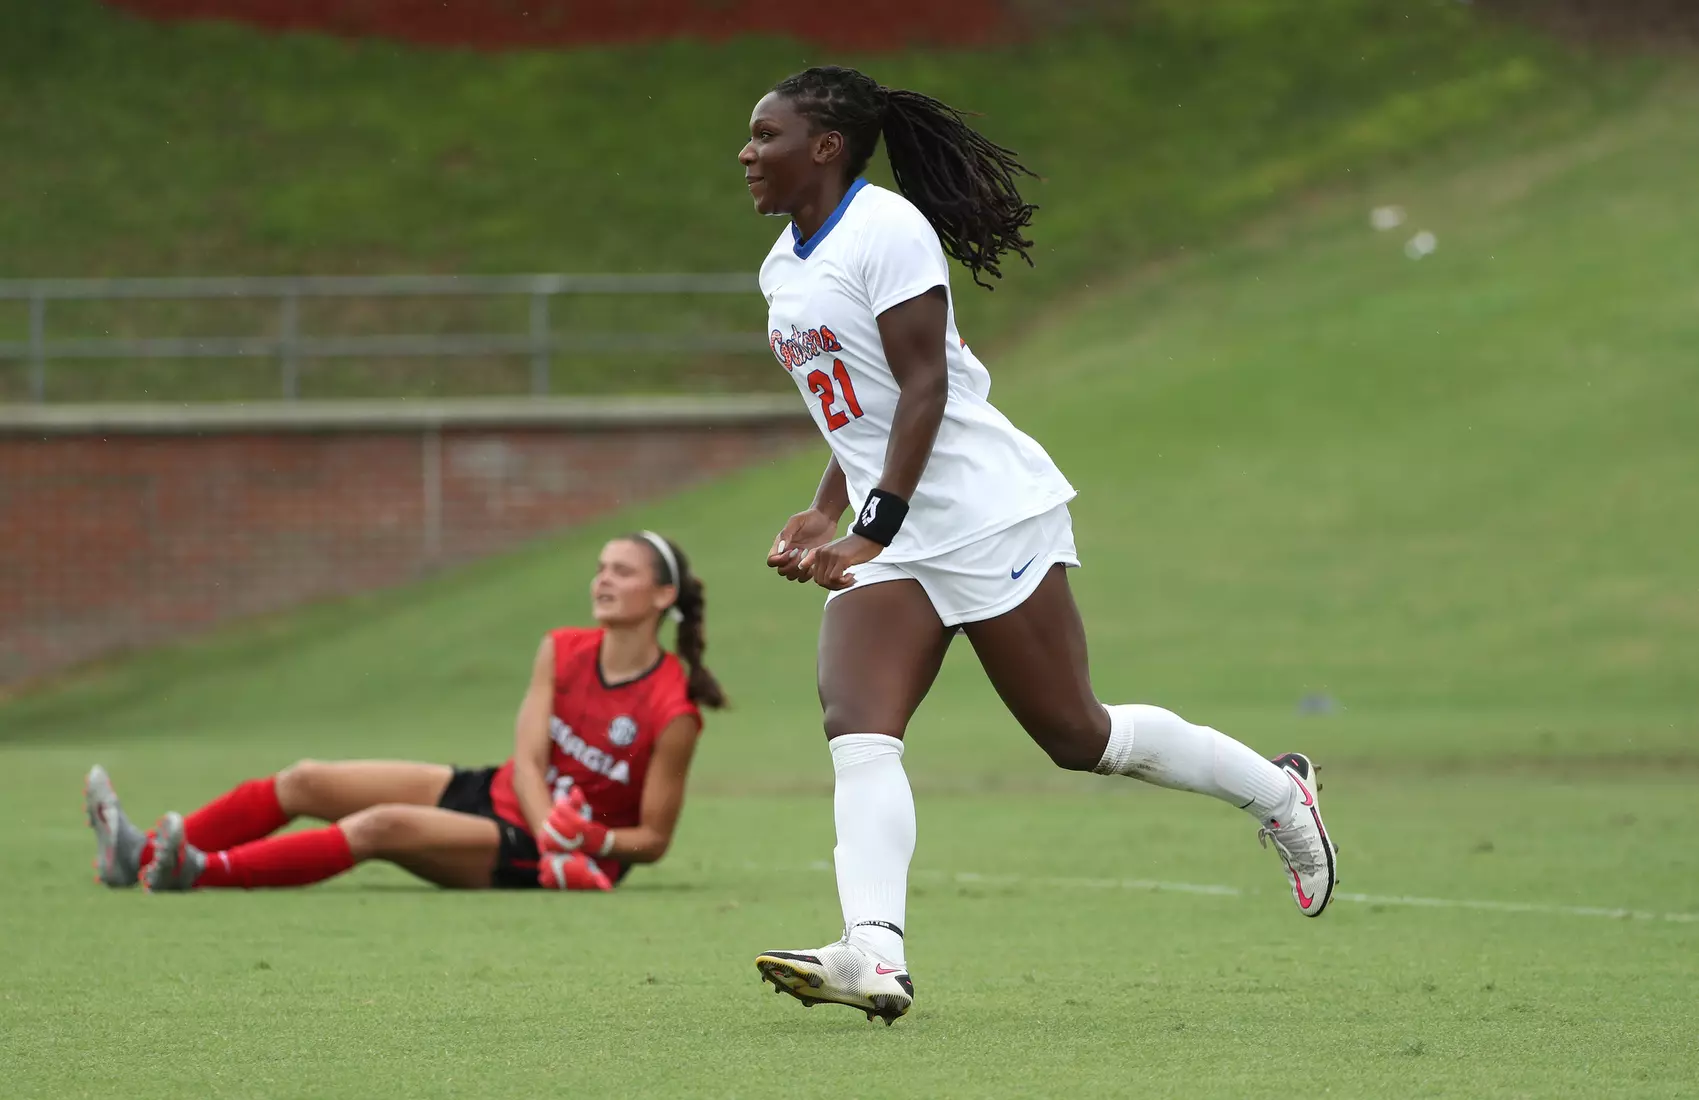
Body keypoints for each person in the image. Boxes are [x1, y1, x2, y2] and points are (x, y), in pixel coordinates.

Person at [740, 66, 1339, 1025]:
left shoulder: (886, 230)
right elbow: (857, 410)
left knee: (1076, 736)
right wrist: (826, 509)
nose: (746, 152)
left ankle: (1278, 796)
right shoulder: (784, 263)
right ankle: (873, 955)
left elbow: (926, 386)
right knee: (857, 730)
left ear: (825, 146)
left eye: (765, 135)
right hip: (887, 532)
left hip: (983, 514)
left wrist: (869, 527)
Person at [82, 532, 725, 893]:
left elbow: (654, 842)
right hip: (507, 800)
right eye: (599, 568)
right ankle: (136, 855)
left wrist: (584, 843)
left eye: (622, 571)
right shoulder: (561, 649)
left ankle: (197, 871)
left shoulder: (673, 710)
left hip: (549, 856)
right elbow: (528, 761)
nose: (602, 580)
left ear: (662, 595)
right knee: (306, 779)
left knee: (380, 826)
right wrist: (546, 820)